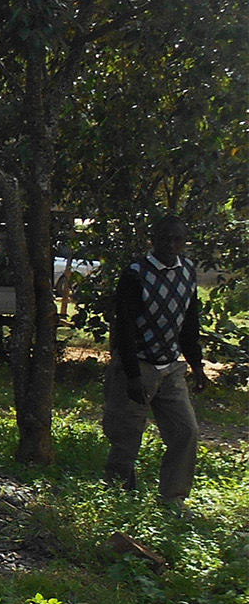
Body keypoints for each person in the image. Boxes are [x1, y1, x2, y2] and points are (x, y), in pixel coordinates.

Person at [102, 214, 208, 509]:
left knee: (186, 431)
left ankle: (173, 499)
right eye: (166, 239)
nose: (172, 245)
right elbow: (123, 326)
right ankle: (116, 496)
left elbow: (188, 322)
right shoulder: (136, 273)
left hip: (170, 366)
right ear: (154, 239)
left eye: (178, 240)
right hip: (138, 364)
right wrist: (133, 374)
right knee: (126, 435)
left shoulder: (187, 271)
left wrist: (197, 364)